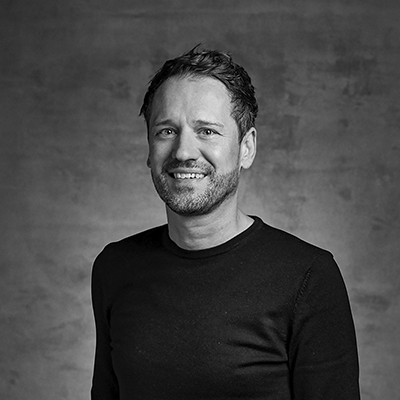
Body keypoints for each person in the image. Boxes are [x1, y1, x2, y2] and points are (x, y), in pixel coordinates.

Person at [91, 46, 360, 399]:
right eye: (166, 131)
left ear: (246, 148)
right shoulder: (114, 268)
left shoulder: (308, 277)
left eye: (207, 131)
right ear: (149, 148)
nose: (183, 151)